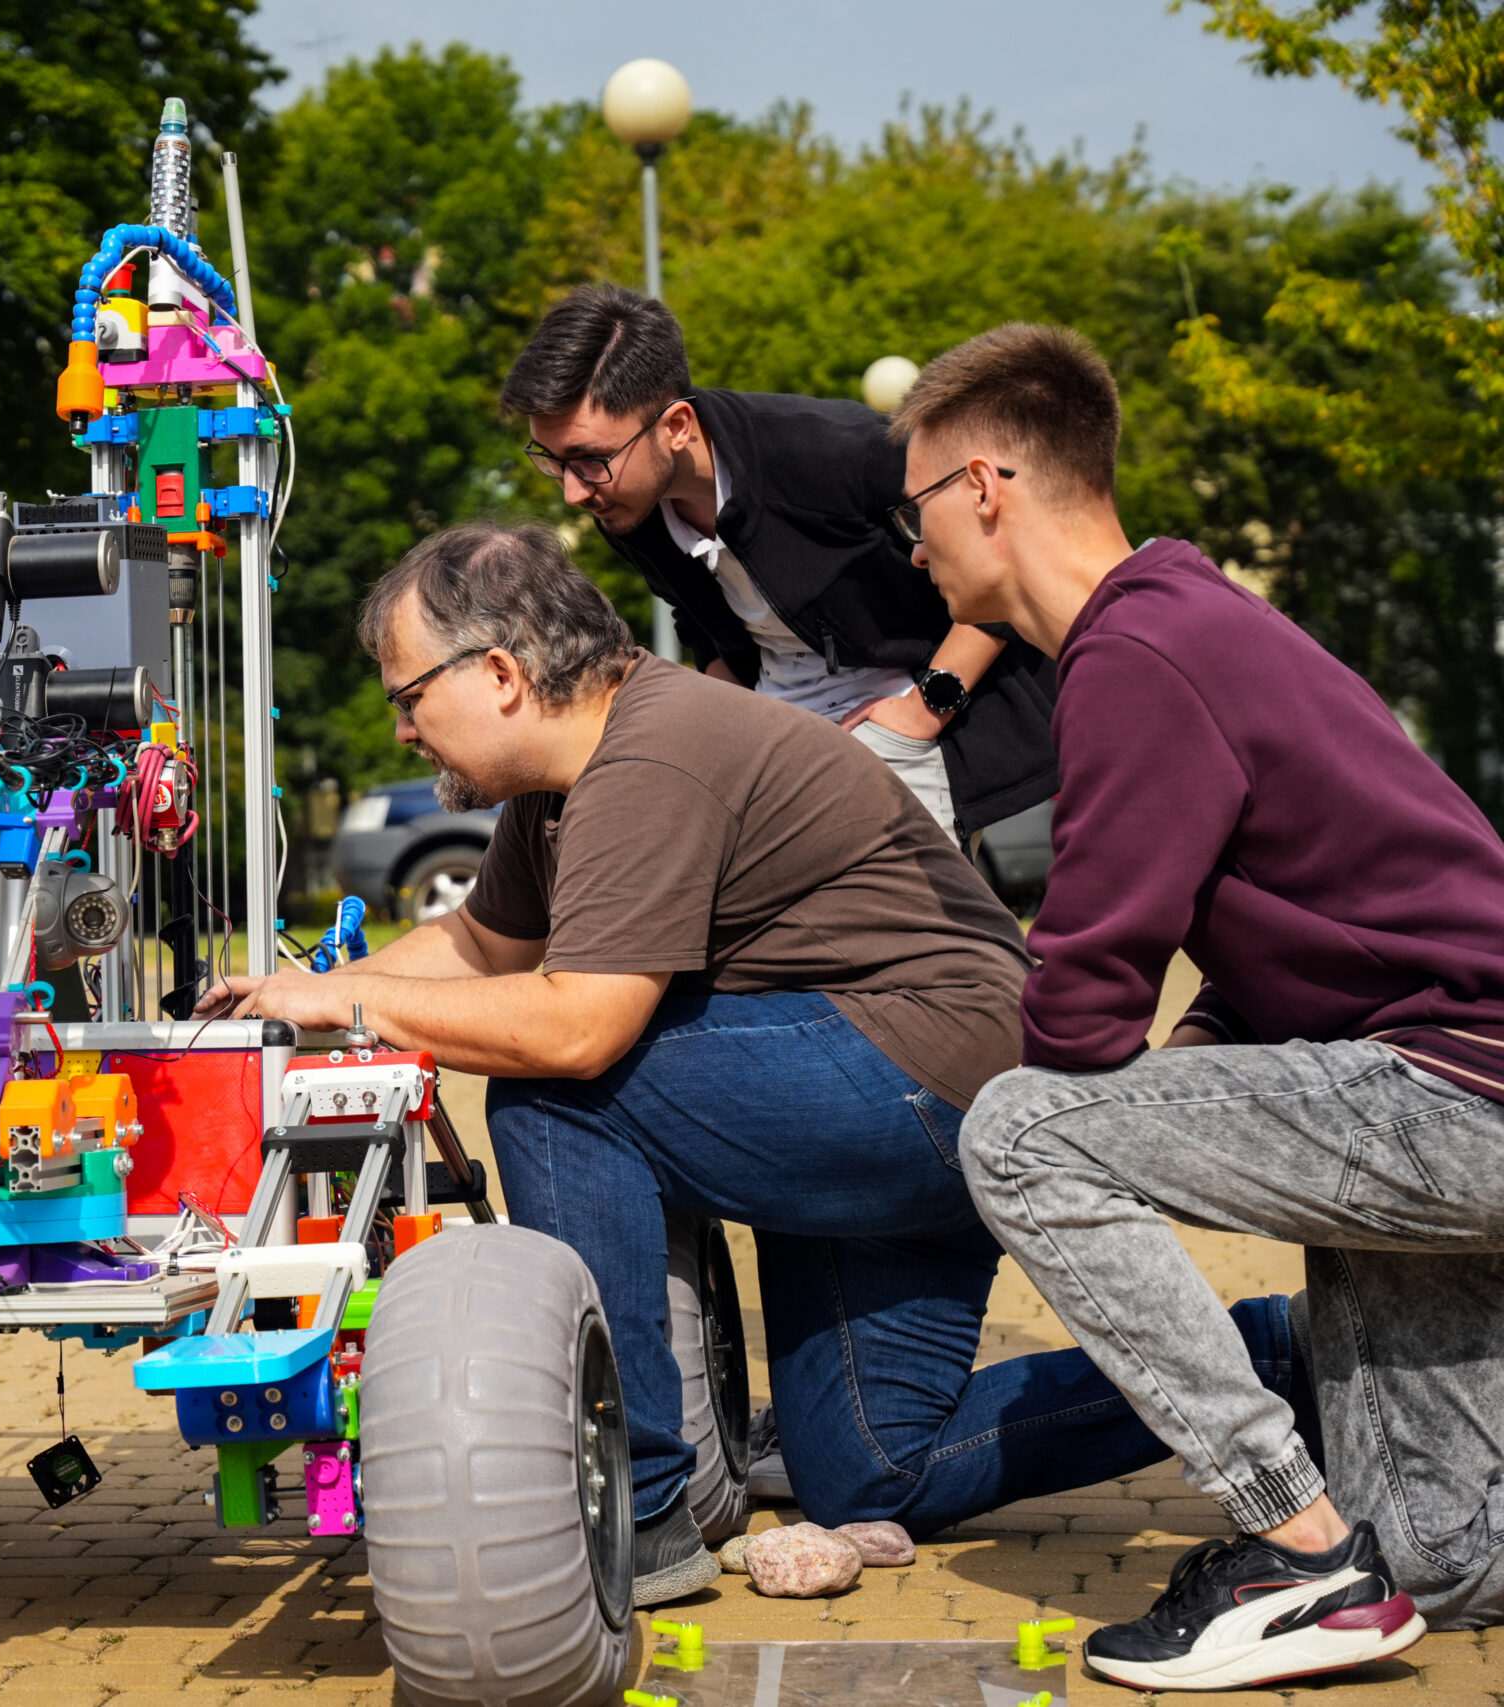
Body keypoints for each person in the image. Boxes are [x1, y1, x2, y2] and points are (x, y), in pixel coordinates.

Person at [197, 519, 1302, 1610]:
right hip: (869, 1087)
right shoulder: (559, 786)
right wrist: (287, 1009)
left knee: (555, 1092)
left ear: (499, 673)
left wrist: (353, 999)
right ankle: (1280, 1356)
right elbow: (483, 947)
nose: (402, 729)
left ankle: (639, 1504)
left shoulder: (651, 754)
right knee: (874, 1473)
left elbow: (575, 1028)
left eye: (407, 696)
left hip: (930, 1076)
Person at [897, 322, 1504, 1690]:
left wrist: (1147, 1084)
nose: (913, 548)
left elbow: (1078, 1019)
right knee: (1439, 1554)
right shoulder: (1190, 617)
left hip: (1452, 1091)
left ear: (983, 487)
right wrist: (1207, 1062)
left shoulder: (1137, 653)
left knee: (1020, 1133)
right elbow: (1315, 922)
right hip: (1443, 1077)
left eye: (915, 508)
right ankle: (1366, 1566)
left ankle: (1296, 1550)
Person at [502, 284, 1059, 848]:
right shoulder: (627, 505)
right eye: (552, 461)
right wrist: (723, 729)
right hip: (776, 728)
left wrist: (924, 709)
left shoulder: (836, 451)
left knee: (895, 905)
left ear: (676, 427)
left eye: (590, 460)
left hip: (907, 716)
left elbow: (1002, 547)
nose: (573, 492)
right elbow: (699, 621)